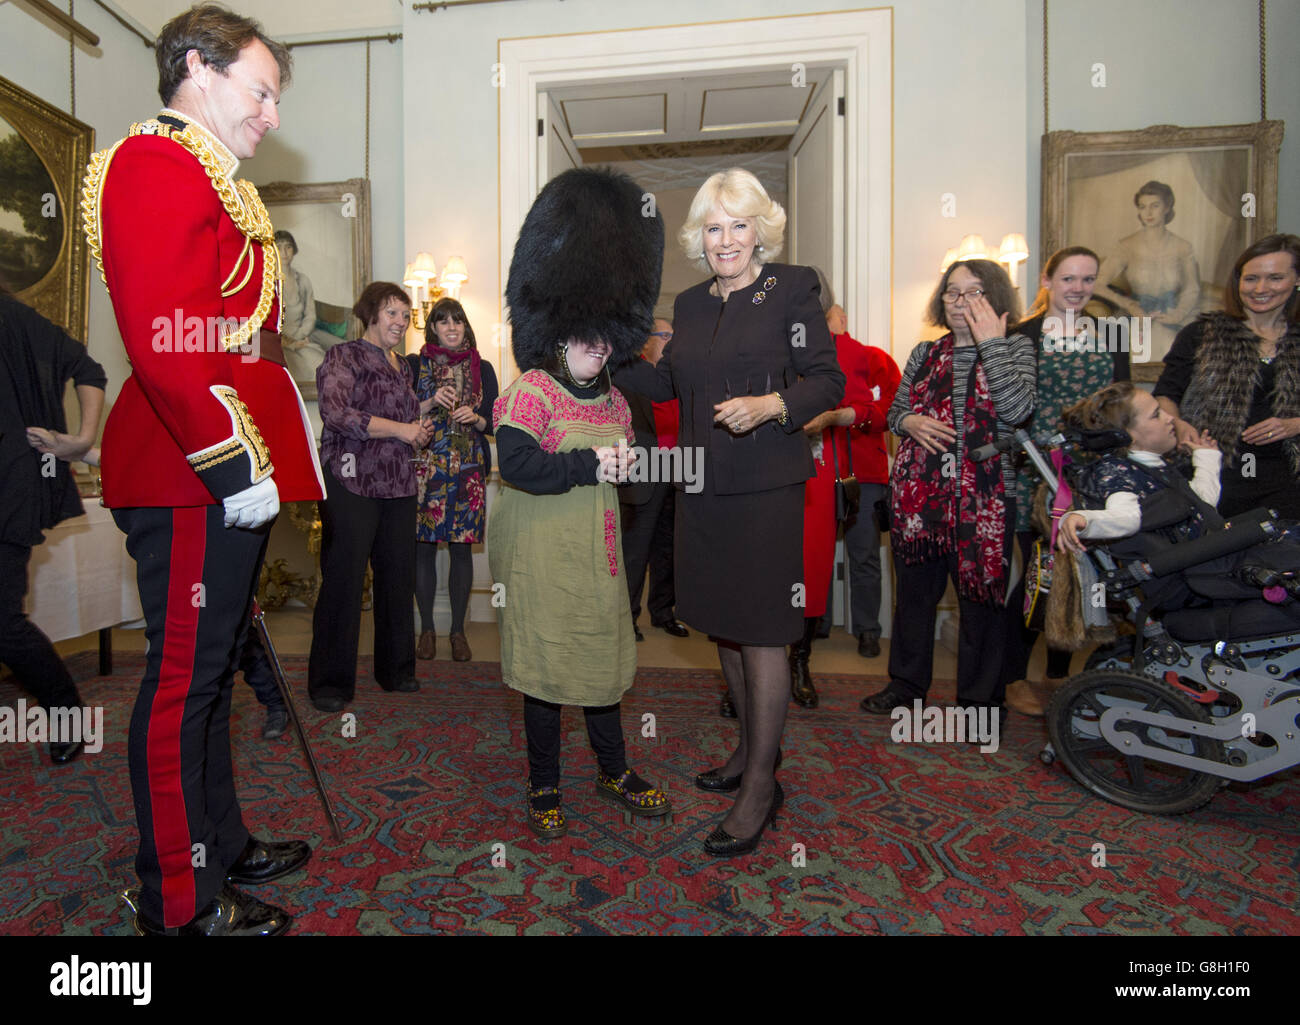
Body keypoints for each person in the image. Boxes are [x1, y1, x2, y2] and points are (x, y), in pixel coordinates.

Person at [81, 4, 326, 936]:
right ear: (198, 68)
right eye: (260, 91)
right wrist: (230, 468)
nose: (270, 114)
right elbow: (162, 342)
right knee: (182, 682)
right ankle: (177, 896)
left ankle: (217, 846)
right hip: (190, 469)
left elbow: (228, 333)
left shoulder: (212, 177)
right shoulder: (154, 162)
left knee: (214, 674)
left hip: (214, 469)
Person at [616, 167, 844, 855]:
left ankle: (763, 785)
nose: (726, 240)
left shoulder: (792, 287)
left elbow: (826, 379)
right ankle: (748, 752)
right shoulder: (686, 305)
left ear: (760, 231)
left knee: (764, 631)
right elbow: (666, 381)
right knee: (723, 628)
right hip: (701, 487)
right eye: (713, 228)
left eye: (738, 225)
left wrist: (773, 406)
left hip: (767, 486)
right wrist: (605, 354)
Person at [491, 167, 670, 838]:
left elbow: (624, 472)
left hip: (597, 556)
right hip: (540, 556)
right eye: (584, 339)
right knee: (545, 671)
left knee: (599, 662)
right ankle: (543, 783)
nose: (595, 352)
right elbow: (516, 465)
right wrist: (591, 461)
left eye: (605, 342)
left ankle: (614, 768)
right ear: (561, 333)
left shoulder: (620, 401)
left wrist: (626, 467)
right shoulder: (531, 390)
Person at [860, 260, 1035, 726]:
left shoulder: (1017, 346)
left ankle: (979, 703)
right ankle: (905, 686)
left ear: (995, 297)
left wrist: (991, 345)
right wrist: (911, 421)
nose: (960, 302)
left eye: (973, 292)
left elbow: (1017, 411)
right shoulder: (924, 352)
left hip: (985, 498)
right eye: (952, 293)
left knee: (981, 598)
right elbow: (895, 413)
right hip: (921, 499)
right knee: (914, 597)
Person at [1002, 246, 1129, 716]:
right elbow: (1008, 410)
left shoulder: (1111, 333)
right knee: (1039, 576)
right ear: (1048, 280)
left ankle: (1057, 677)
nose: (1078, 288)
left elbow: (1121, 404)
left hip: (1092, 476)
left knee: (1077, 574)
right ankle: (1012, 675)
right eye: (1068, 278)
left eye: (1088, 279)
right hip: (1035, 475)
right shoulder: (1023, 336)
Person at [1057, 382, 1300, 607]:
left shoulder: (1152, 466)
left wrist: (1206, 457)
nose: (1170, 418)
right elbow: (1126, 517)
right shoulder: (1118, 472)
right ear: (1125, 436)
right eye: (1156, 415)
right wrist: (1083, 520)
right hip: (1200, 577)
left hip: (1208, 563)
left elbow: (1201, 503)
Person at [309, 282, 432, 711]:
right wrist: (402, 430)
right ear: (371, 314)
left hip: (398, 482)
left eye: (405, 315)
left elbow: (407, 418)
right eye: (391, 313)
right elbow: (336, 413)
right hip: (351, 481)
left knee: (399, 577)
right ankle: (329, 683)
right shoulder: (342, 356)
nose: (399, 322)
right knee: (344, 580)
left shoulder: (403, 366)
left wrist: (418, 429)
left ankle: (396, 670)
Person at [0, 288, 106, 765]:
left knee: (1, 621)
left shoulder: (16, 319)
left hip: (9, 486)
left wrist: (80, 441)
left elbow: (89, 370)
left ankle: (68, 716)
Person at [1154, 233, 1300, 519]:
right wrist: (1178, 425)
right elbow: (1166, 394)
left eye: (1274, 278)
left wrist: (1295, 424)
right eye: (1251, 278)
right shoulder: (1201, 333)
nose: (1260, 288)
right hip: (1213, 477)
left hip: (1289, 482)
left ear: (1296, 279)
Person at [409, 297, 497, 662]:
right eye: (442, 321)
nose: (451, 326)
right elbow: (396, 409)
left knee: (462, 548)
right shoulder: (414, 364)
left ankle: (458, 632)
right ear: (432, 327)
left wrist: (475, 418)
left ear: (465, 326)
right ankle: (427, 629)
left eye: (457, 320)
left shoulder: (484, 366)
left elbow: (496, 420)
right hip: (425, 467)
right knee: (423, 547)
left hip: (469, 469)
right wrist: (428, 401)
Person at [815, 303, 901, 659]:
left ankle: (868, 628)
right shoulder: (803, 358)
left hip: (863, 470)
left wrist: (856, 415)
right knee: (817, 552)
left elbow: (896, 408)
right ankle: (816, 621)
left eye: (828, 315)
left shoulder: (872, 358)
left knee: (863, 553)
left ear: (842, 318)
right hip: (818, 471)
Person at [617, 318, 688, 643]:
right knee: (636, 551)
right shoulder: (631, 373)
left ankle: (663, 612)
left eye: (675, 336)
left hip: (683, 469)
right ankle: (627, 617)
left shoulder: (682, 378)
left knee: (670, 549)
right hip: (644, 471)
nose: (671, 341)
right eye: (665, 335)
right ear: (647, 342)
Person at [1092, 180, 1200, 361]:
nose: (1148, 213)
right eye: (1142, 207)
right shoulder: (1127, 246)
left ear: (1167, 207)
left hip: (1172, 316)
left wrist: (1177, 315)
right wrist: (1130, 306)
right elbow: (1096, 283)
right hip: (1136, 316)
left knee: (1179, 347)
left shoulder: (1183, 247)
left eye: (1155, 206)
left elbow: (1191, 289)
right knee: (1126, 349)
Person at [275, 229, 329, 382]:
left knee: (321, 363)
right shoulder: (267, 283)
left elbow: (310, 315)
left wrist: (299, 335)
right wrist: (290, 342)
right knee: (291, 371)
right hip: (280, 343)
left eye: (288, 247)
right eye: (279, 247)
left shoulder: (303, 280)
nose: (284, 252)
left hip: (302, 338)